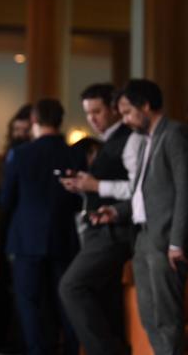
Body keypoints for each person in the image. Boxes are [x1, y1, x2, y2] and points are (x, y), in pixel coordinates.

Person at [94, 79, 188, 355]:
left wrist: (177, 242)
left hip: (166, 240)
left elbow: (186, 191)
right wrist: (116, 211)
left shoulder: (175, 133)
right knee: (150, 316)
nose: (126, 119)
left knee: (167, 318)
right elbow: (143, 193)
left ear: (146, 106)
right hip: (144, 238)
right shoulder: (147, 141)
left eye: (129, 112)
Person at [58, 84, 137, 355]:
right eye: (88, 113)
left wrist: (94, 186)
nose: (92, 119)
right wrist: (84, 185)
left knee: (71, 286)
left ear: (114, 109)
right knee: (105, 299)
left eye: (97, 111)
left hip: (114, 232)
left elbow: (137, 189)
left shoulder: (129, 138)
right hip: (101, 229)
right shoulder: (110, 142)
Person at [1, 98, 80, 355]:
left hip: (26, 238)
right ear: (60, 120)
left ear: (34, 120)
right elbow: (80, 199)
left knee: (29, 303)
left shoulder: (21, 154)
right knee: (66, 302)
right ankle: (70, 349)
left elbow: (6, 199)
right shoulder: (74, 154)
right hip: (64, 237)